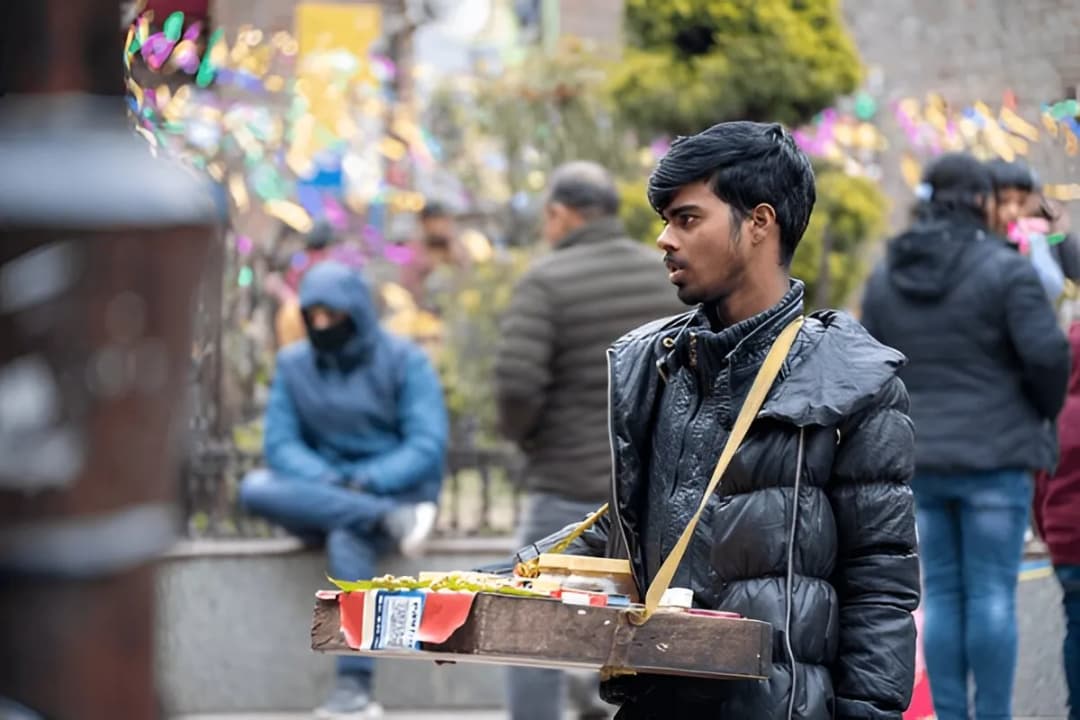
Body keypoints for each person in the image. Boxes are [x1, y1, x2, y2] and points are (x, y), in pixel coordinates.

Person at [518, 121, 921, 719]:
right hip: (656, 695)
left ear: (759, 223)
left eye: (686, 219)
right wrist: (493, 583)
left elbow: (880, 587)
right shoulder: (655, 365)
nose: (663, 239)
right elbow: (644, 526)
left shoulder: (852, 383)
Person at [861, 153, 1071, 720]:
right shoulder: (1004, 269)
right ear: (979, 201)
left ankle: (951, 715)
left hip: (921, 459)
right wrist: (1037, 413)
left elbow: (873, 362)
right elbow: (1050, 355)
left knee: (946, 596)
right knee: (994, 596)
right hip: (997, 458)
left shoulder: (887, 274)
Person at [494, 161, 682, 720]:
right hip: (651, 497)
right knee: (647, 624)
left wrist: (526, 440)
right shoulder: (663, 275)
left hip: (567, 486)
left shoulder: (546, 281)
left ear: (560, 214)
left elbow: (516, 384)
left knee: (527, 626)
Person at [239, 260, 448, 719]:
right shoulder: (294, 366)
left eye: (331, 315)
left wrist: (365, 481)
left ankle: (354, 688)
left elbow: (425, 445)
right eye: (312, 315)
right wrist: (333, 483)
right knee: (255, 487)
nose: (320, 325)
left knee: (345, 535)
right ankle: (378, 519)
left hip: (392, 491)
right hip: (337, 494)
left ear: (356, 312)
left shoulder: (404, 360)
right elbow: (281, 445)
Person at [1034, 321, 1080, 720]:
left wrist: (1046, 533)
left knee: (1076, 629)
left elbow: (1039, 481)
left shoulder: (1056, 414)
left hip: (1068, 545)